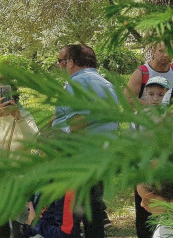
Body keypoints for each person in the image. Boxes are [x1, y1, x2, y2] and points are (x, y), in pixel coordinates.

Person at [52, 44, 118, 238]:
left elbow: (79, 122)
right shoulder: (106, 84)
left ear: (71, 62)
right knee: (94, 212)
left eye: (62, 61)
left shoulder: (77, 83)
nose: (60, 66)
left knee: (72, 213)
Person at [0, 80, 40, 237]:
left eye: (5, 92)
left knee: (22, 228)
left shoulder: (25, 116)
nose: (1, 96)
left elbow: (34, 141)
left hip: (21, 183)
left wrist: (18, 117)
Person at [125, 42, 173, 107]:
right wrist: (152, 106)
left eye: (169, 51)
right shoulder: (142, 72)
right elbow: (127, 98)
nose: (166, 55)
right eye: (161, 51)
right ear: (153, 52)